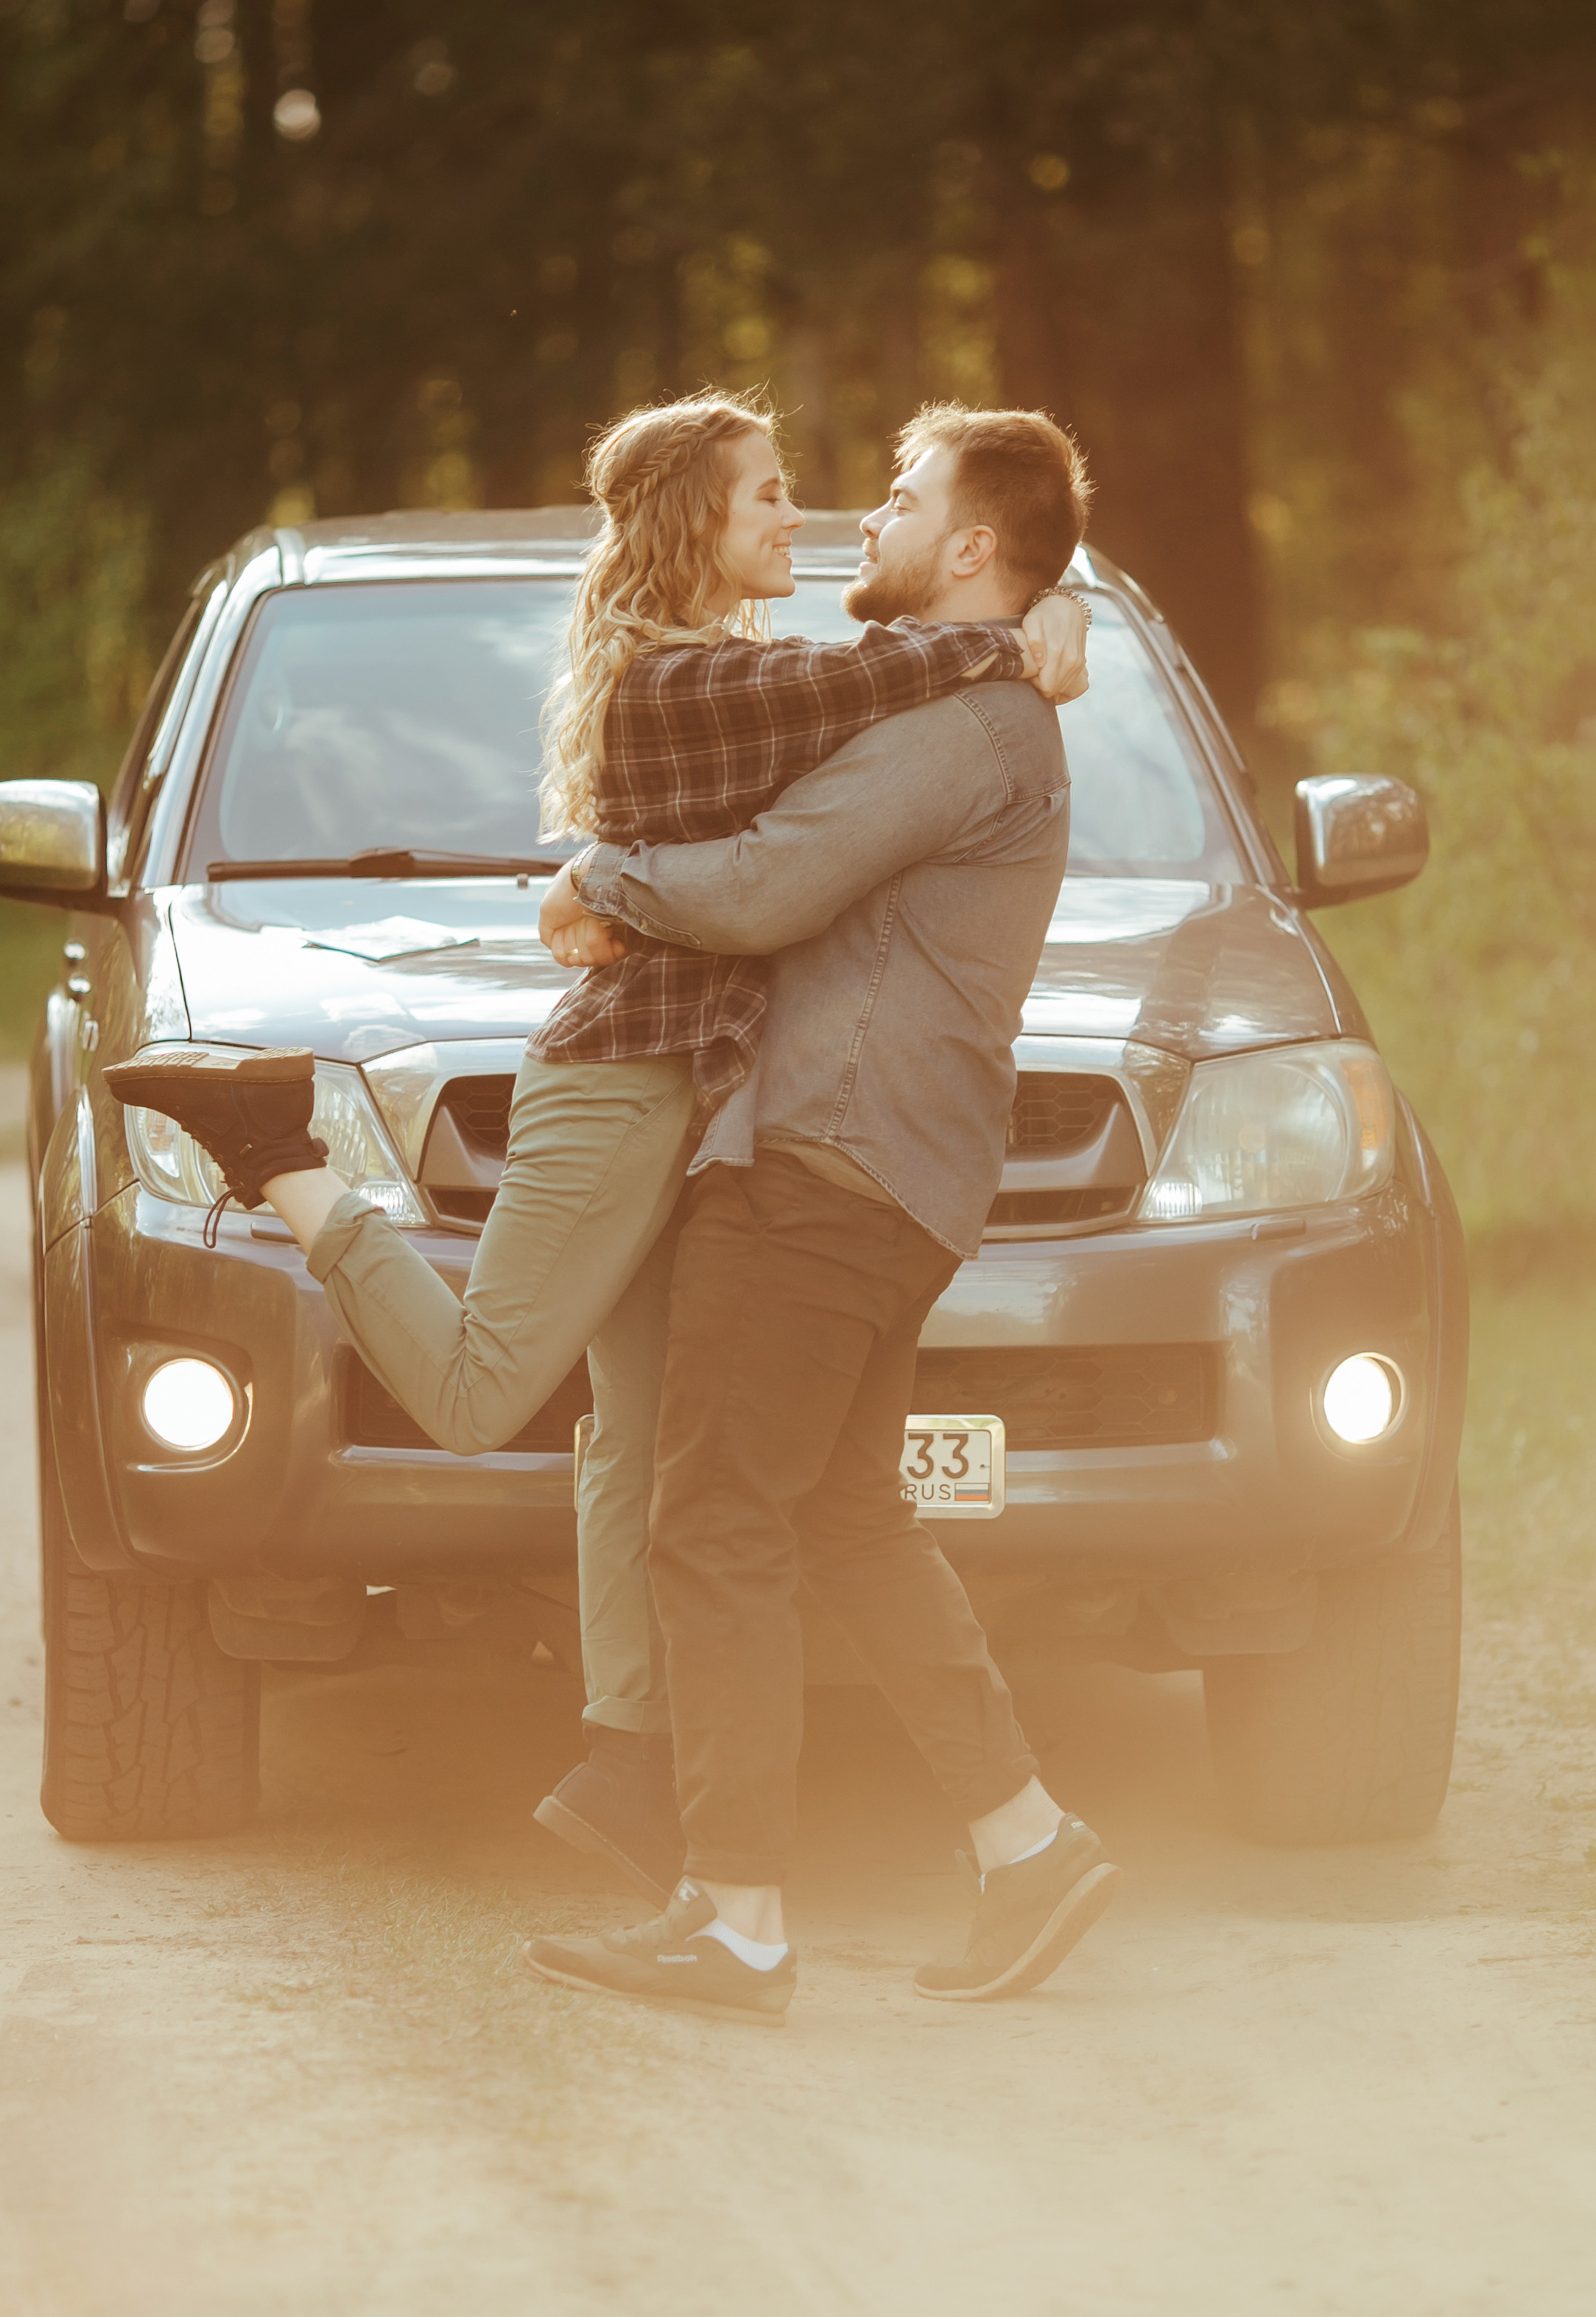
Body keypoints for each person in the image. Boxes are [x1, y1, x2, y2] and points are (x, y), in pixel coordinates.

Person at [105, 392, 1091, 1906]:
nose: (807, 515)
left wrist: (1049, 604)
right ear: (698, 519)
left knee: (637, 1444)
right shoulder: (683, 685)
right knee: (489, 1390)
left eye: (833, 493)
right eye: (769, 494)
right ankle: (283, 1151)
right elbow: (821, 778)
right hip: (627, 1077)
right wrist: (1008, 630)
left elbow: (873, 690)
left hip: (712, 1107)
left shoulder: (778, 673)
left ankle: (634, 1765)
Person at [523, 406, 1121, 2028]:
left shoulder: (966, 726)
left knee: (709, 1515)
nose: (868, 518)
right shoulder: (980, 695)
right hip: (891, 1168)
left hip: (823, 1167)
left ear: (976, 549)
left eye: (904, 501)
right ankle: (1028, 1840)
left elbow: (778, 880)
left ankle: (736, 1918)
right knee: (846, 1517)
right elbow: (767, 754)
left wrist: (602, 881)